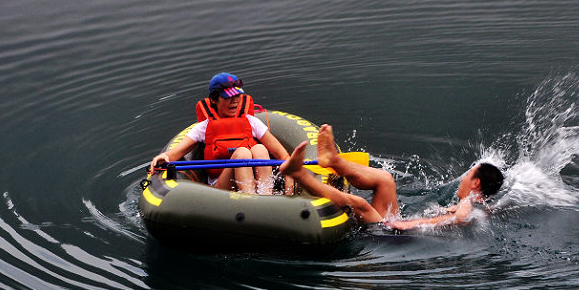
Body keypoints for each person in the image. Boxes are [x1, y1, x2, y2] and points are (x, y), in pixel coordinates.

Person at [278, 124, 504, 230]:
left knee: (358, 203)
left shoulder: (469, 206)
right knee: (385, 179)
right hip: (395, 228)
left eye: (469, 174)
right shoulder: (478, 206)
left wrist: (408, 225)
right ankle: (333, 161)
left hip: (394, 236)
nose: (464, 178)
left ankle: (297, 172)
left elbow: (458, 219)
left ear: (476, 183)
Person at [150, 73, 292, 195]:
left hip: (254, 182)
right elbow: (175, 153)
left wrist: (290, 183)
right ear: (214, 100)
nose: (235, 101)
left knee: (259, 149)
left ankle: (266, 196)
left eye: (237, 96)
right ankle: (251, 200)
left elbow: (283, 156)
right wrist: (163, 157)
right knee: (242, 153)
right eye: (228, 97)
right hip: (220, 187)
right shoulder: (203, 127)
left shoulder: (251, 121)